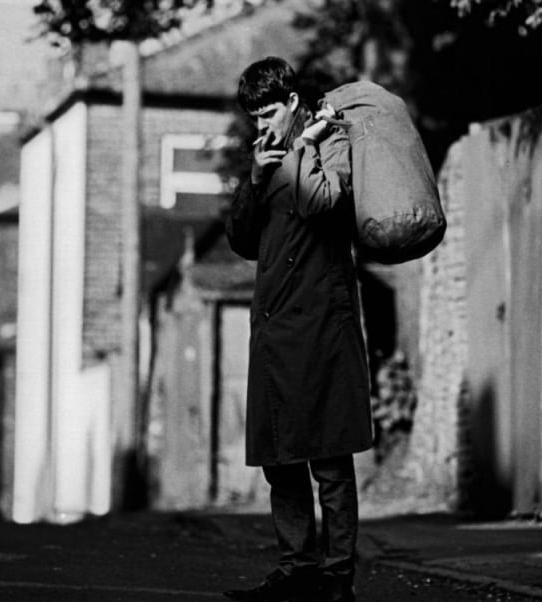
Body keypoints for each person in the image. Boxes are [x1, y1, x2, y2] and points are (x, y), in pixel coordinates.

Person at [223, 57, 373, 602]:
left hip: (322, 324)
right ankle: (295, 569)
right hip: (272, 324)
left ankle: (336, 577)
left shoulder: (331, 140)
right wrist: (256, 179)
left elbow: (322, 203)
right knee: (279, 457)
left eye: (268, 114)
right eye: (253, 118)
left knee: (329, 458)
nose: (261, 126)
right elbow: (240, 239)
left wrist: (304, 145)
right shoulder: (266, 155)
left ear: (291, 103)